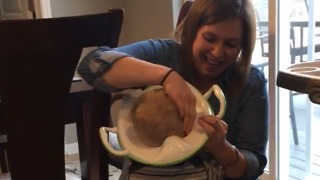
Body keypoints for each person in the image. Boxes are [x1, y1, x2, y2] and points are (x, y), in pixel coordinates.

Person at [77, 0, 269, 179]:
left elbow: (252, 167)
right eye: (209, 38)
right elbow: (92, 65)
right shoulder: (164, 55)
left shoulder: (251, 82)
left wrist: (222, 148)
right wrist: (166, 77)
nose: (217, 52)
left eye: (231, 44)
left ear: (242, 46)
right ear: (192, 31)